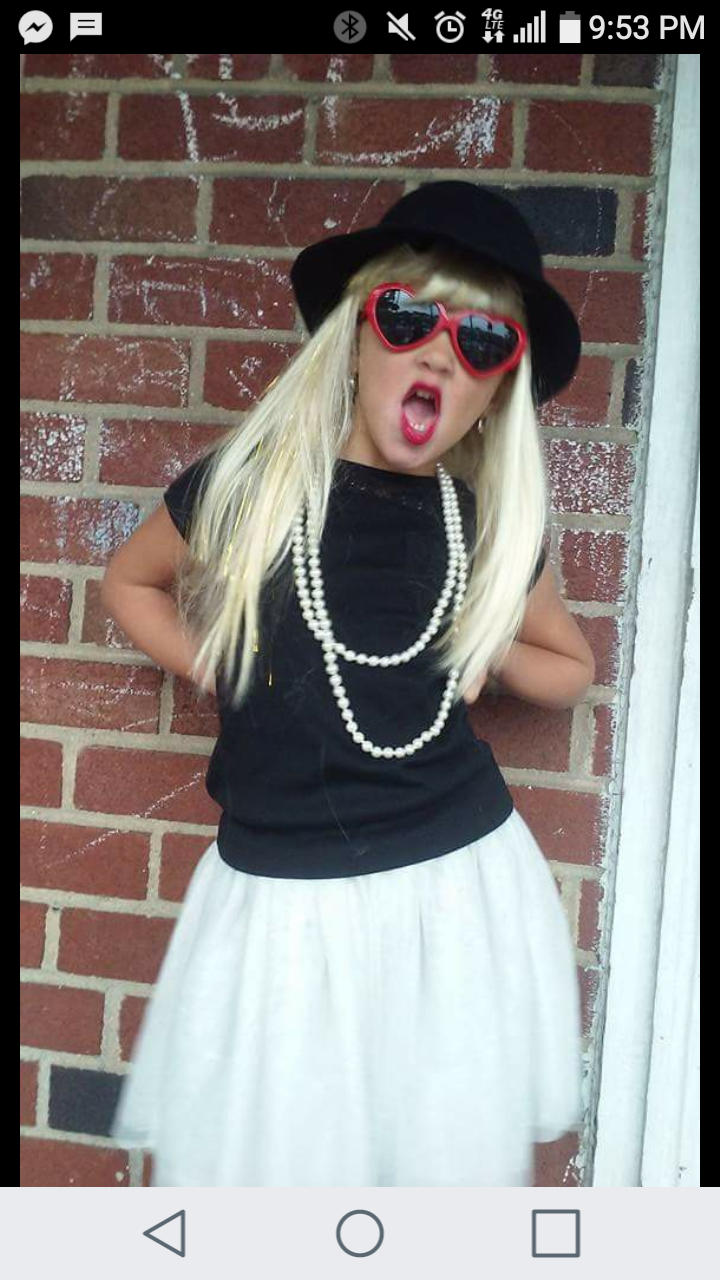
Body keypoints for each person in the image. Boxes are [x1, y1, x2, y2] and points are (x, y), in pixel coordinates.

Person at [105, 181, 593, 1187]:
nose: (440, 355)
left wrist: (485, 647)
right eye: (410, 318)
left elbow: (571, 666)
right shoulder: (253, 485)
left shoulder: (484, 527)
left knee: (422, 1170)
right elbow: (131, 581)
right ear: (358, 336)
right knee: (281, 1170)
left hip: (448, 886)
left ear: (497, 388)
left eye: (482, 342)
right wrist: (213, 658)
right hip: (279, 892)